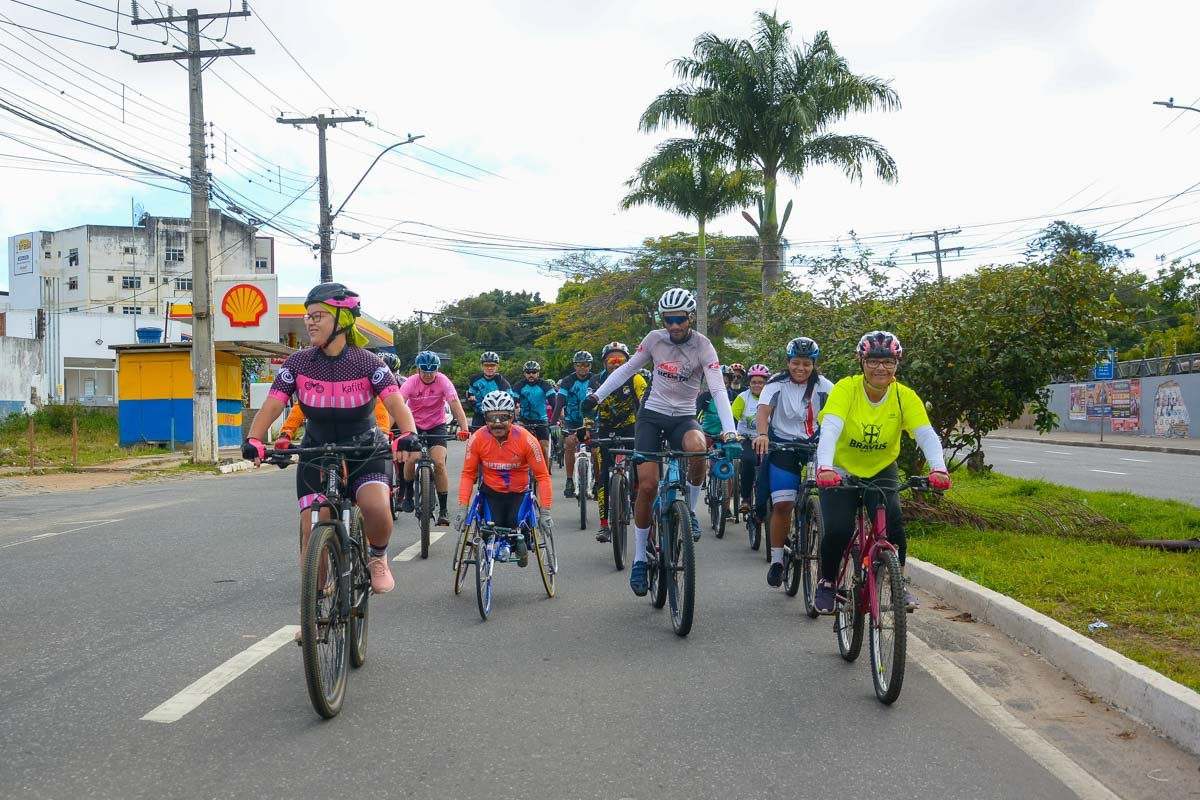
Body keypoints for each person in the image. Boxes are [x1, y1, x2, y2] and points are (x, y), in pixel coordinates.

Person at [243, 282, 419, 604]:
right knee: (313, 529)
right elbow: (272, 404)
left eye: (318, 315)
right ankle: (315, 611)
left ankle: (377, 557)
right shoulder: (298, 363)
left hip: (365, 447)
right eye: (308, 316)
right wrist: (254, 438)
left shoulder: (369, 363)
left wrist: (408, 433)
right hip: (316, 449)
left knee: (376, 506)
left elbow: (396, 404)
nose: (310, 322)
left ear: (343, 320)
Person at [583, 288, 740, 597]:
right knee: (648, 485)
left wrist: (731, 431)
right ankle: (641, 557)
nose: (674, 325)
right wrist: (597, 396)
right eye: (668, 319)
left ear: (691, 317)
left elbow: (719, 389)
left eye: (680, 319)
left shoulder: (703, 346)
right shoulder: (655, 340)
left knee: (697, 446)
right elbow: (628, 369)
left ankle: (691, 511)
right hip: (651, 416)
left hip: (683, 416)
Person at [813, 331, 951, 612]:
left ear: (897, 364)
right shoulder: (846, 389)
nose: (880, 368)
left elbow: (925, 434)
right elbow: (831, 428)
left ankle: (897, 583)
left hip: (881, 468)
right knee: (839, 529)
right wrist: (825, 466)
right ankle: (827, 582)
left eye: (888, 362)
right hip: (840, 467)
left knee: (895, 523)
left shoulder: (904, 396)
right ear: (861, 362)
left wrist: (939, 468)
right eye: (873, 361)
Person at [752, 339, 835, 587]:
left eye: (807, 364)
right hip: (783, 445)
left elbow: (837, 416)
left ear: (814, 364)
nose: (801, 368)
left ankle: (813, 521)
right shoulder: (776, 384)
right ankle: (777, 560)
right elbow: (763, 413)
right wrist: (763, 434)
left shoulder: (824, 386)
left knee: (827, 495)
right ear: (787, 362)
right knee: (783, 503)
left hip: (814, 445)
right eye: (796, 363)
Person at [457, 391, 552, 568]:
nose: (498, 423)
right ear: (485, 419)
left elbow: (542, 476)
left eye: (503, 417)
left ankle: (521, 541)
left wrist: (545, 511)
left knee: (515, 525)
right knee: (489, 531)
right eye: (492, 418)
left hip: (519, 493)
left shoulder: (526, 439)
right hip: (491, 493)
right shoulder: (477, 439)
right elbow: (468, 474)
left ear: (512, 417)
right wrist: (463, 507)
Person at [397, 350, 470, 526]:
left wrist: (464, 428)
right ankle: (408, 493)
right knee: (411, 457)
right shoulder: (411, 383)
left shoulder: (443, 381)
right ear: (418, 370)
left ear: (437, 370)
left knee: (439, 462)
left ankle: (443, 509)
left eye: (432, 371)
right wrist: (386, 429)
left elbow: (455, 404)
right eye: (425, 371)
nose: (429, 375)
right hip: (414, 424)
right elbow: (397, 405)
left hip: (436, 425)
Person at [590, 341, 646, 542]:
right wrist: (587, 428)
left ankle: (638, 502)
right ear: (604, 363)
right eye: (611, 360)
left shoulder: (636, 379)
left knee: (641, 467)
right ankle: (604, 525)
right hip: (605, 429)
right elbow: (588, 407)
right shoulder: (596, 381)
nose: (615, 364)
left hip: (632, 428)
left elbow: (645, 404)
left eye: (619, 360)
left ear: (627, 362)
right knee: (604, 473)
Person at [696, 371, 738, 518]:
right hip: (707, 433)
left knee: (729, 471)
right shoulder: (704, 397)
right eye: (720, 381)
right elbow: (695, 415)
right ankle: (702, 475)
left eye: (726, 383)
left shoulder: (733, 396)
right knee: (701, 456)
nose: (723, 385)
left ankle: (726, 507)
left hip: (725, 435)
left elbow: (736, 417)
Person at [554, 350, 595, 498]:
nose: (583, 368)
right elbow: (559, 403)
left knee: (596, 450)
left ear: (590, 366)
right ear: (575, 366)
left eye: (586, 365)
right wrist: (553, 423)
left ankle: (597, 482)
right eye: (579, 365)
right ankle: (570, 479)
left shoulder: (595, 379)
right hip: (573, 420)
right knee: (570, 443)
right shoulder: (567, 381)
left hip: (592, 420)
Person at [731, 363, 770, 516]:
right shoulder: (742, 398)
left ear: (766, 383)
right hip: (746, 438)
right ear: (749, 383)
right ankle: (746, 498)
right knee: (748, 460)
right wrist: (730, 434)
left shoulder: (773, 398)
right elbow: (733, 417)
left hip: (767, 439)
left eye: (760, 382)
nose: (757, 385)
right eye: (754, 382)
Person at [514, 360, 556, 467]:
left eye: (534, 372)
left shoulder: (544, 385)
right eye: (528, 372)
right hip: (524, 419)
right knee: (518, 445)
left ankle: (544, 475)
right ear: (525, 374)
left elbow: (554, 402)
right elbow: (513, 402)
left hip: (541, 419)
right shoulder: (520, 385)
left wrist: (556, 419)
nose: (531, 375)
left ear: (538, 373)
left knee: (543, 447)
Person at [465, 352, 513, 432]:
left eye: (492, 365)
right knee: (477, 440)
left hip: (496, 416)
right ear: (482, 366)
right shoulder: (474, 380)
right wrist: (471, 401)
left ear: (497, 366)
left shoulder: (502, 382)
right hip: (479, 416)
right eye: (486, 365)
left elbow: (511, 402)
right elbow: (470, 396)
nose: (489, 368)